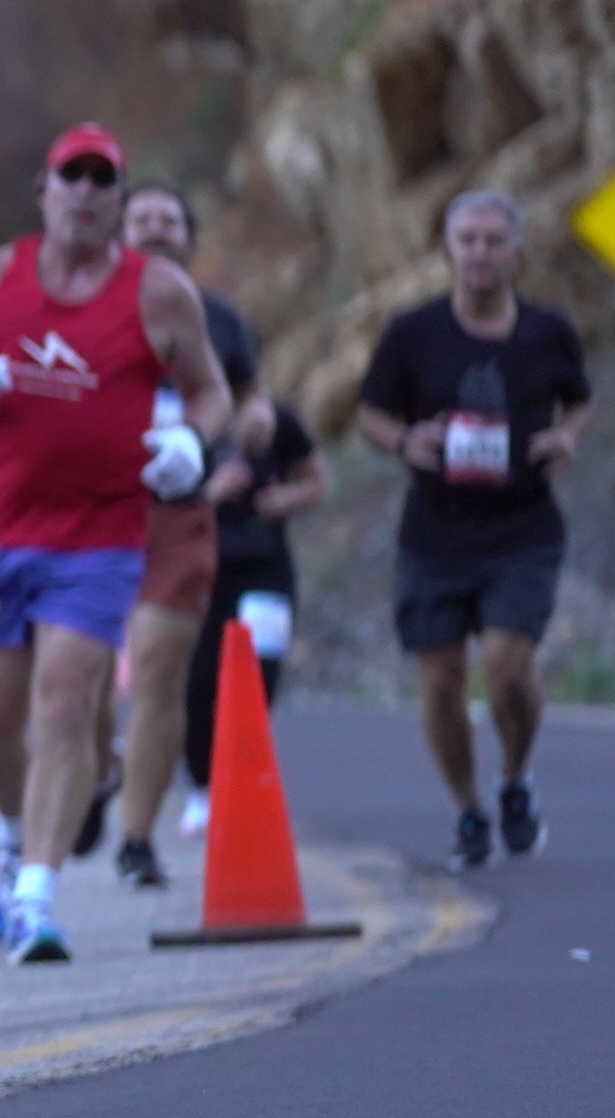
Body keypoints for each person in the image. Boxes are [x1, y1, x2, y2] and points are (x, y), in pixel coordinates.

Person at [0, 126, 230, 962]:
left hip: (99, 539)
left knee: (68, 706)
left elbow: (211, 392)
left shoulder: (160, 291)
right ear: (43, 191)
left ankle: (36, 896)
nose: (83, 192)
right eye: (69, 177)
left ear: (119, 199)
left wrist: (191, 442)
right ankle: (15, 838)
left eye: (100, 180)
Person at [355, 192, 591, 863]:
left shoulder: (548, 332)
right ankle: (467, 810)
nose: (480, 253)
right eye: (467, 240)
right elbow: (371, 414)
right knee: (440, 680)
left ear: (517, 254)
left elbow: (579, 399)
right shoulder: (413, 333)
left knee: (507, 665)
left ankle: (515, 779)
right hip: (435, 532)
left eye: (493, 240)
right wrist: (406, 441)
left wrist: (567, 437)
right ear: (448, 251)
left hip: (522, 527)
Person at [107, 182, 270, 888]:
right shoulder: (89, 305)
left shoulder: (221, 319)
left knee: (157, 668)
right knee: (77, 677)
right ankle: (94, 769)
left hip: (178, 509)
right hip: (86, 511)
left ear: (189, 237)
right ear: (119, 232)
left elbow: (247, 393)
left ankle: (136, 838)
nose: (154, 230)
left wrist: (255, 419)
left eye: (168, 220)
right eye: (141, 219)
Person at [186, 388, 324, 814]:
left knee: (259, 678)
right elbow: (162, 503)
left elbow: (315, 482)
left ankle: (241, 782)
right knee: (198, 684)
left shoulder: (281, 421)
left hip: (266, 570)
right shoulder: (189, 422)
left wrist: (285, 499)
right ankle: (202, 787)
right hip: (204, 570)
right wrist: (212, 492)